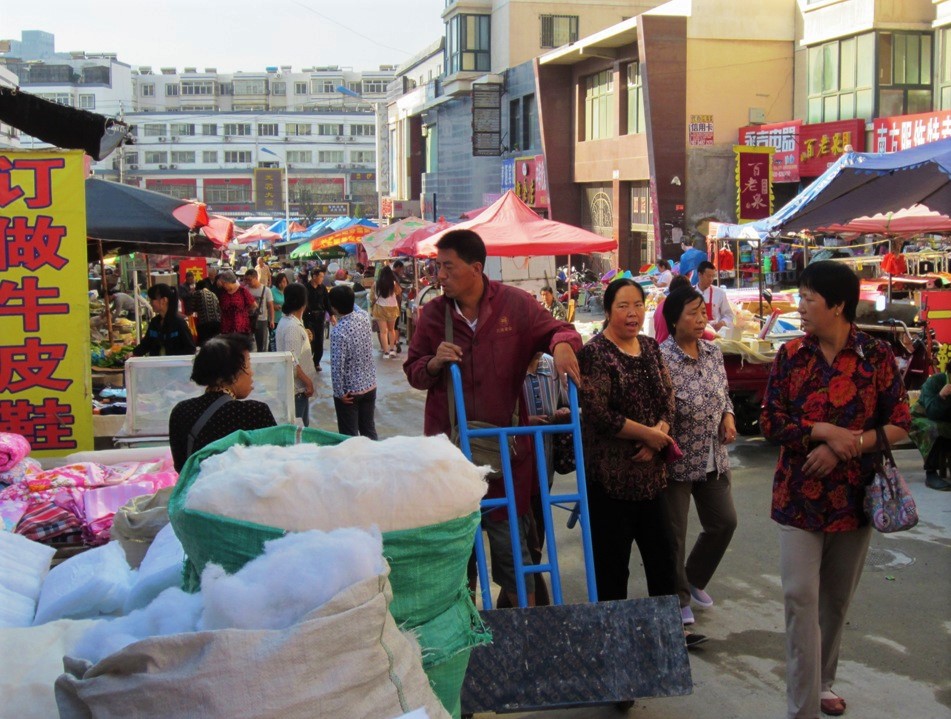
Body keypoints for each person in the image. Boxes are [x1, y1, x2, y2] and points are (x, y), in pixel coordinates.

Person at [760, 261, 911, 719]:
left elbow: (900, 423)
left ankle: (824, 682)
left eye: (809, 299)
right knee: (799, 596)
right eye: (800, 297)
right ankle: (801, 707)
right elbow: (771, 421)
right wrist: (821, 431)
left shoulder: (876, 357)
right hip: (798, 497)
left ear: (838, 305)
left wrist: (848, 447)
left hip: (853, 497)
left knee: (834, 600)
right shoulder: (791, 356)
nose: (800, 307)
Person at [404, 228, 582, 609]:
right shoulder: (433, 315)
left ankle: (523, 635)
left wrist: (564, 345)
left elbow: (557, 328)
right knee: (455, 555)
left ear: (476, 268)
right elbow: (413, 371)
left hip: (506, 458)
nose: (440, 277)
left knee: (515, 553)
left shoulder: (514, 306)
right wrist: (434, 361)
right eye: (438, 268)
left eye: (447, 268)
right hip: (447, 455)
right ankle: (462, 631)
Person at [577, 278, 706, 648]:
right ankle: (613, 647)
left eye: (638, 305)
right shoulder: (596, 353)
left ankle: (666, 638)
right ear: (607, 311)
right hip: (611, 483)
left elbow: (668, 398)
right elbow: (599, 414)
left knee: (663, 564)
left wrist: (658, 434)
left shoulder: (650, 347)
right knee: (612, 570)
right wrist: (646, 435)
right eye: (623, 306)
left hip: (652, 481)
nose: (632, 313)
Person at [659, 286, 737, 627]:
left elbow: (725, 395)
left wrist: (728, 417)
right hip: (677, 461)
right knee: (674, 534)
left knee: (724, 522)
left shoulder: (712, 352)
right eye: (692, 312)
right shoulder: (661, 359)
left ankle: (692, 578)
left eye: (702, 311)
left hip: (713, 458)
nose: (701, 317)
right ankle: (677, 599)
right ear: (674, 320)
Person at [168, 333, 278, 472]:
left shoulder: (181, 411)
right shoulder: (255, 412)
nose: (252, 373)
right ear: (232, 373)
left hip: (198, 492)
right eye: (248, 365)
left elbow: (181, 468)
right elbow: (275, 465)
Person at [329, 284, 378, 439]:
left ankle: (354, 462)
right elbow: (354, 307)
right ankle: (376, 460)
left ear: (334, 307)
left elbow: (337, 367)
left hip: (350, 392)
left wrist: (339, 393)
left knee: (349, 437)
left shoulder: (338, 331)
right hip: (369, 385)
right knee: (368, 430)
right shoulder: (363, 317)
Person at [276, 283, 317, 427]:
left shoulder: (290, 321)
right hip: (297, 390)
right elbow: (292, 362)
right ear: (303, 302)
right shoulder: (292, 326)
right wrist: (308, 382)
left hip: (294, 389)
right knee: (299, 431)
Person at [909, 371, 951, 491]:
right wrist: (941, 396)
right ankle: (931, 472)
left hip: (944, 421)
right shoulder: (934, 381)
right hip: (922, 418)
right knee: (932, 428)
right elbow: (931, 412)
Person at [132, 284, 196, 357]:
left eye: (153, 299)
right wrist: (133, 354)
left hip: (175, 367)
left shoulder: (179, 323)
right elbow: (146, 344)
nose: (150, 303)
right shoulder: (154, 322)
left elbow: (190, 349)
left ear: (164, 300)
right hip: (156, 366)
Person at [696, 260, 735, 332]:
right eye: (708, 276)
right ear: (699, 275)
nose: (711, 279)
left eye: (713, 276)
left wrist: (722, 323)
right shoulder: (690, 293)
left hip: (715, 333)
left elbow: (729, 315)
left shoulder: (719, 293)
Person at [372, 265, 402, 358]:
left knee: (383, 331)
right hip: (392, 308)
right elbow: (398, 292)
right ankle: (392, 350)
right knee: (391, 330)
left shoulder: (376, 284)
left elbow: (372, 297)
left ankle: (385, 352)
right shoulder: (393, 283)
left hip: (380, 308)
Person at [217, 269, 257, 337]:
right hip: (226, 327)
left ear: (229, 282)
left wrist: (244, 311)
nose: (223, 285)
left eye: (224, 283)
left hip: (241, 327)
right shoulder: (223, 293)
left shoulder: (242, 291)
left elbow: (254, 305)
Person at [243, 269, 274, 353]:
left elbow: (270, 306)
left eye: (250, 280)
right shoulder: (245, 289)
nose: (248, 282)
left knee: (262, 345)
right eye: (246, 280)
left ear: (256, 278)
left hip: (262, 320)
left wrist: (271, 320)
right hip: (248, 319)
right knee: (247, 344)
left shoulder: (266, 290)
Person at [305, 266, 329, 372]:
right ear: (314, 276)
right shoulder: (305, 288)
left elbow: (327, 302)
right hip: (308, 317)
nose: (322, 279)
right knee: (310, 340)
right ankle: (308, 361)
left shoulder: (322, 288)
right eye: (321, 277)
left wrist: (331, 315)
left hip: (320, 317)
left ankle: (316, 362)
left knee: (319, 340)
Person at [193, 279, 222, 346]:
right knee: (215, 344)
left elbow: (191, 309)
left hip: (205, 323)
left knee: (203, 344)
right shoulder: (213, 294)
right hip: (217, 322)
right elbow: (218, 308)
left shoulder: (197, 293)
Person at [269, 272, 289, 352]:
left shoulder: (288, 291)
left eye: (285, 281)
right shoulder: (272, 291)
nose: (283, 284)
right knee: (274, 340)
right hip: (275, 320)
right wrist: (274, 306)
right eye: (281, 282)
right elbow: (269, 304)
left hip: (285, 319)